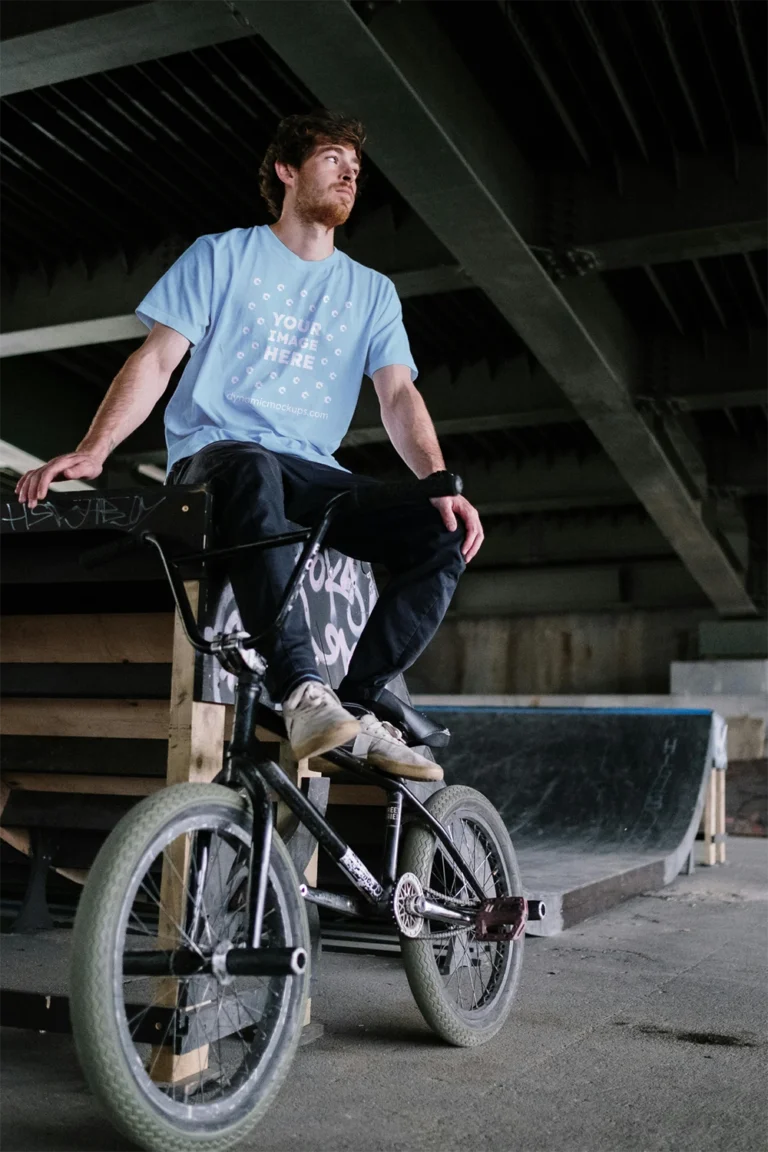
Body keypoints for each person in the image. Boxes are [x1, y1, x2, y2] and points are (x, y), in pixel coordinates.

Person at [15, 111, 483, 781]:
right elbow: (156, 360)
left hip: (312, 470)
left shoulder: (372, 292)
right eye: (331, 158)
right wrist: (95, 448)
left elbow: (398, 396)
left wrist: (437, 482)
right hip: (219, 456)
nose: (349, 171)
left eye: (356, 165)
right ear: (287, 172)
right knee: (254, 464)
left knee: (437, 532)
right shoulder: (221, 255)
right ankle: (303, 690)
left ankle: (356, 707)